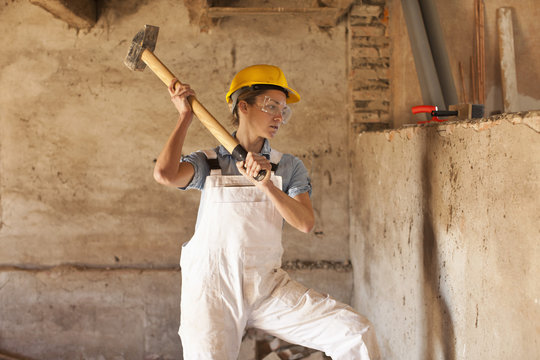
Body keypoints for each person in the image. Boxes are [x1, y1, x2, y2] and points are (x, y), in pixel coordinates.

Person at [153, 64, 379, 360]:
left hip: (266, 286)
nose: (278, 117)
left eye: (283, 111)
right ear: (243, 106)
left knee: (355, 332)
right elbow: (166, 174)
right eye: (271, 106)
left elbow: (305, 223)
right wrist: (184, 117)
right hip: (212, 290)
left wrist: (267, 184)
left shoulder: (287, 167)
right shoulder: (209, 163)